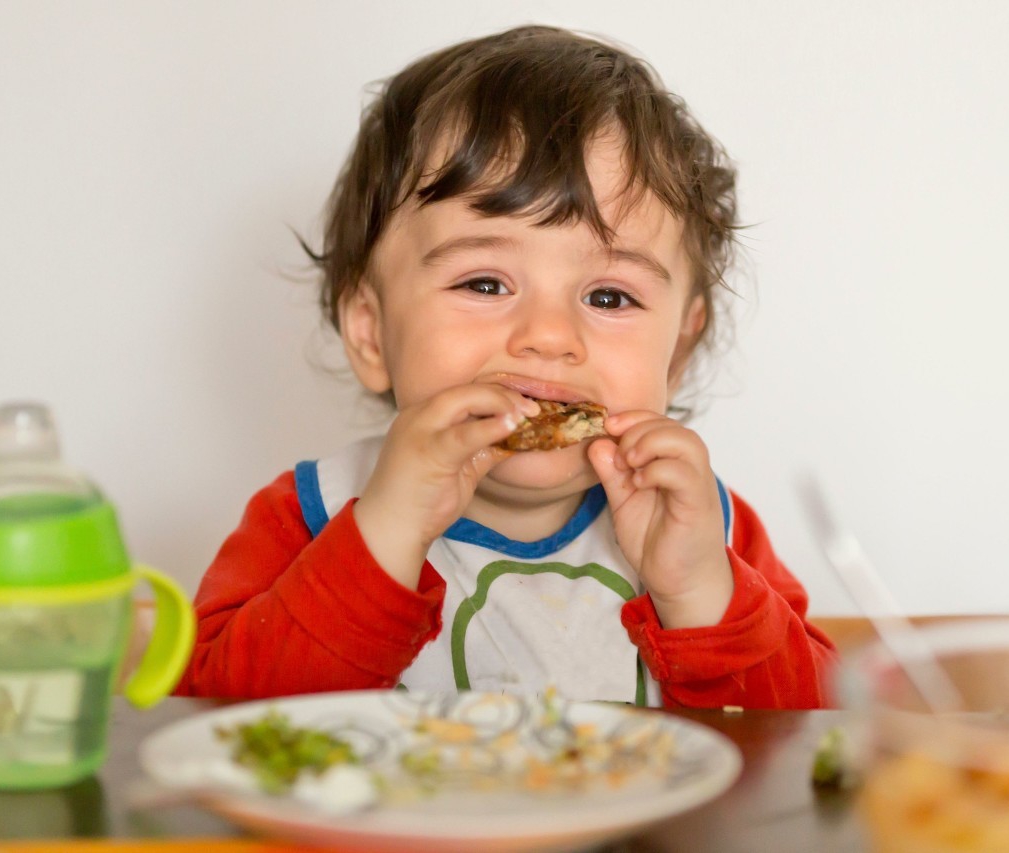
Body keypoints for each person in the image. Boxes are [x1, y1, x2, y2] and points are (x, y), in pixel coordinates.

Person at [175, 25, 837, 708]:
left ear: (678, 350)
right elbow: (223, 722)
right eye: (485, 283)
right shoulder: (309, 514)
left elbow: (809, 751)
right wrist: (385, 534)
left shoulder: (705, 530)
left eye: (609, 296)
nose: (549, 336)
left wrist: (699, 591)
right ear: (371, 332)